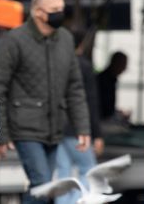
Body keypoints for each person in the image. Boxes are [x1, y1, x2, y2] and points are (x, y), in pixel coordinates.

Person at [0, 0, 91, 204]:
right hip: (24, 128)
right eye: (54, 9)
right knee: (43, 185)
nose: (60, 13)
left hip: (55, 128)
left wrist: (82, 127)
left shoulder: (65, 39)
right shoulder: (15, 40)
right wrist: (1, 134)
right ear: (37, 12)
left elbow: (75, 87)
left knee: (42, 187)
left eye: (62, 8)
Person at [55, 31, 104, 204]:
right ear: (82, 43)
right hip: (78, 129)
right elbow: (91, 101)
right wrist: (97, 134)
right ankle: (77, 201)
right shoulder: (83, 65)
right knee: (88, 170)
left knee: (63, 172)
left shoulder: (55, 63)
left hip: (56, 127)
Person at [97, 51, 129, 134]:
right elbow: (103, 104)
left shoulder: (110, 79)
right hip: (101, 120)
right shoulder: (104, 80)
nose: (125, 68)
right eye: (124, 64)